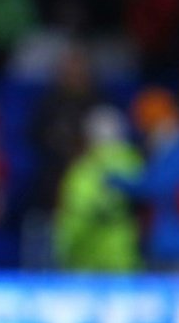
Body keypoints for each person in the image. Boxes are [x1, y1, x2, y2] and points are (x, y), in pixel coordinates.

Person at [109, 87, 179, 271]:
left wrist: (117, 181)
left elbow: (156, 187)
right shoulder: (167, 151)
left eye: (152, 126)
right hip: (168, 243)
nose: (148, 134)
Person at [53, 105, 144, 272]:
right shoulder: (136, 164)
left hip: (85, 258)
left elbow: (73, 218)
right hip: (123, 254)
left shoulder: (81, 171)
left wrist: (63, 247)